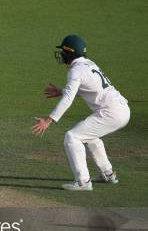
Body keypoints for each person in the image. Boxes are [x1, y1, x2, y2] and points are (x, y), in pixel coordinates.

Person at [32, 35, 130, 191]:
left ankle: (83, 182)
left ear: (70, 53)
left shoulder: (75, 71)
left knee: (72, 136)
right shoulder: (90, 64)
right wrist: (61, 91)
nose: (62, 54)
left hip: (111, 113)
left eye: (64, 51)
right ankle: (108, 173)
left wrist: (48, 120)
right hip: (122, 109)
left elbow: (68, 100)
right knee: (90, 136)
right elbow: (86, 88)